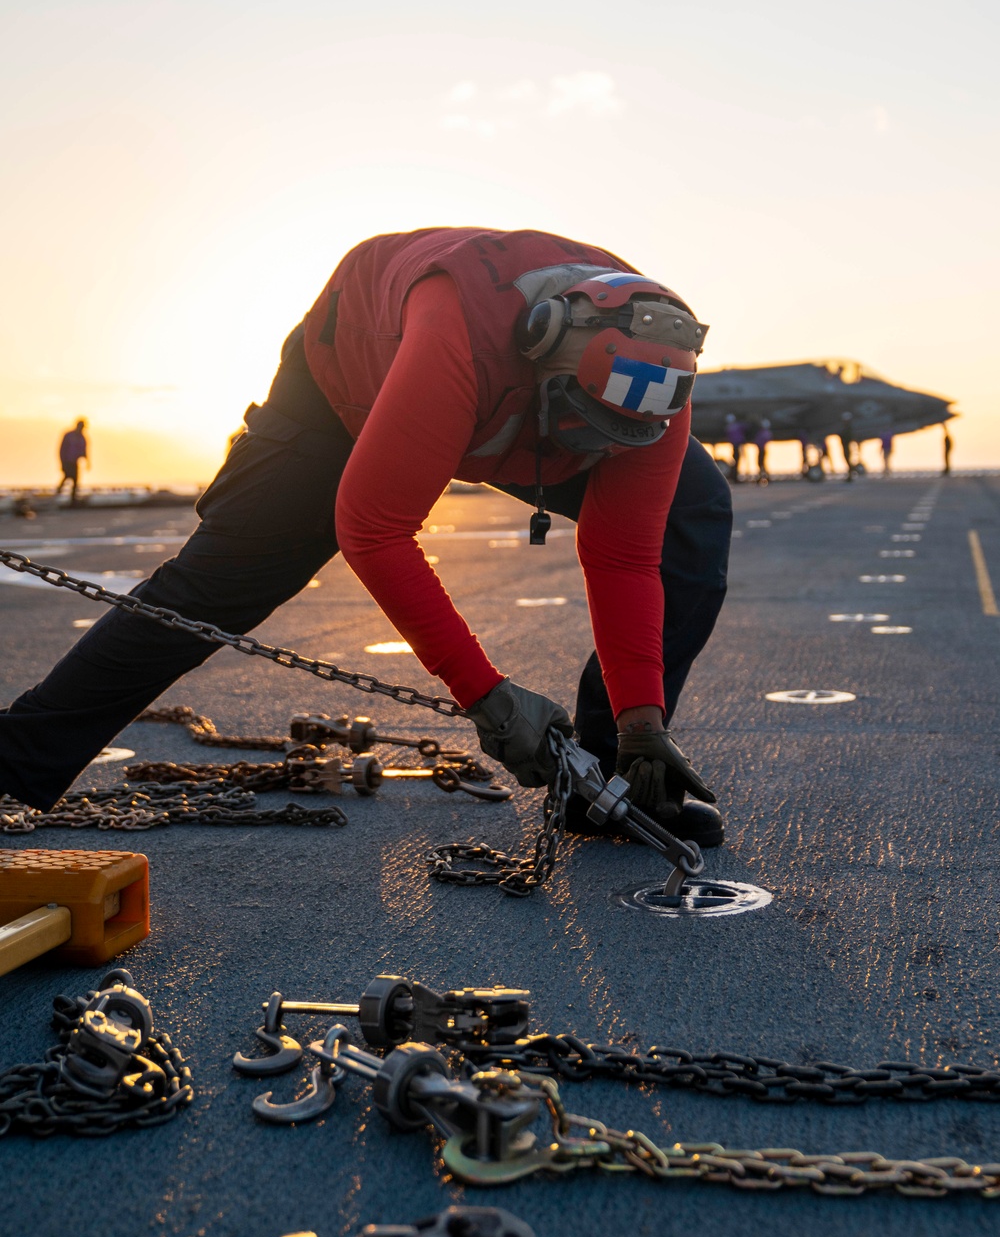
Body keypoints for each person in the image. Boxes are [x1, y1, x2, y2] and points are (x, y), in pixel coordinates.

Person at [0, 228, 732, 848]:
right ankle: (15, 758)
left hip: (510, 402)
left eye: (611, 442)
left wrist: (642, 718)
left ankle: (608, 778)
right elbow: (375, 530)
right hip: (347, 380)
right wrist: (489, 699)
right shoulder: (461, 336)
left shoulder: (651, 386)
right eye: (577, 429)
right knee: (221, 583)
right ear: (543, 351)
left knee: (690, 513)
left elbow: (625, 556)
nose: (589, 454)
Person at [55, 420, 88, 503]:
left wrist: (87, 461)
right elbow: (62, 449)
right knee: (67, 476)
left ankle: (73, 499)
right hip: (67, 461)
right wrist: (62, 462)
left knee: (75, 480)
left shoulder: (82, 438)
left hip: (74, 462)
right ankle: (57, 494)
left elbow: (84, 450)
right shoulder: (69, 436)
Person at [722, 413, 745, 484]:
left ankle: (734, 477)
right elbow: (745, 427)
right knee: (737, 462)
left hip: (734, 446)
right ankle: (735, 477)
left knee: (735, 461)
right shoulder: (737, 426)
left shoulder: (728, 428)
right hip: (737, 446)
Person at [752, 419, 771, 484]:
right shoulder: (766, 433)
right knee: (761, 464)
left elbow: (757, 441)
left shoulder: (762, 433)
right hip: (762, 449)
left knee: (761, 464)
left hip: (761, 450)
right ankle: (763, 476)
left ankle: (764, 476)